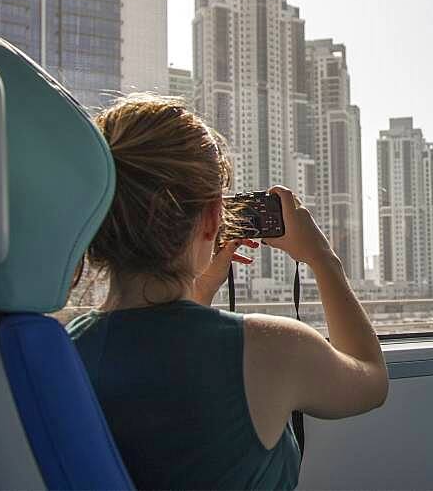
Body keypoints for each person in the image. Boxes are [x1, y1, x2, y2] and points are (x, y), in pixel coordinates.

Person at [66, 94, 388, 490]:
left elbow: (158, 356)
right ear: (214, 218)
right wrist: (323, 259)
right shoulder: (274, 347)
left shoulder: (63, 351)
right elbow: (372, 382)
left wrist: (198, 289)